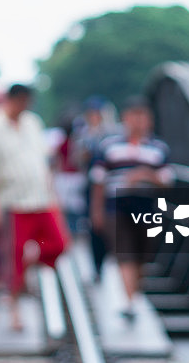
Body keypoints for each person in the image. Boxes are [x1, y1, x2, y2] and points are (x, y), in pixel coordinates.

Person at [0, 84, 67, 330]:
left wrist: (54, 195)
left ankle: (27, 264)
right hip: (12, 203)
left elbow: (43, 162)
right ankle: (15, 311)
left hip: (41, 199)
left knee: (58, 244)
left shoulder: (32, 122)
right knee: (12, 259)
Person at [90, 95, 174, 322]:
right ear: (125, 118)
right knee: (125, 253)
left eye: (142, 116)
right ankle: (129, 303)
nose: (138, 121)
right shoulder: (109, 146)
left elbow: (168, 180)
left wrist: (145, 176)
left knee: (141, 255)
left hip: (146, 208)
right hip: (116, 207)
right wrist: (96, 211)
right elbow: (98, 180)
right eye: (134, 116)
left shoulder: (158, 148)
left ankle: (133, 297)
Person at [75, 95, 119, 281]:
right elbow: (78, 161)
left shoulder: (113, 133)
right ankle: (98, 265)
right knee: (94, 225)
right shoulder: (84, 135)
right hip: (92, 186)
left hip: (111, 186)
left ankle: (114, 261)